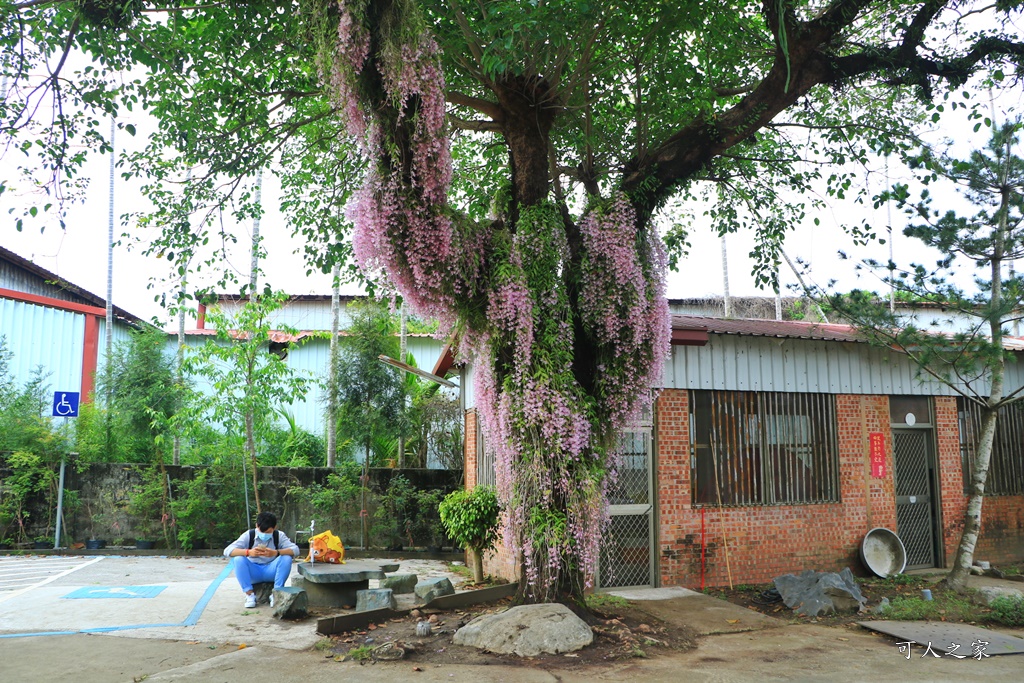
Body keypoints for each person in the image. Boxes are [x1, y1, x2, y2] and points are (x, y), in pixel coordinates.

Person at [223, 511, 300, 608]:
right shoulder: (249, 535)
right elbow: (227, 551)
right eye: (261, 531)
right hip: (254, 571)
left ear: (274, 527)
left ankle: (277, 593)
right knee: (238, 559)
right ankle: (249, 594)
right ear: (256, 525)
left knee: (286, 558)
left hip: (271, 570)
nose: (264, 534)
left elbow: (296, 550)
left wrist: (276, 552)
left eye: (267, 532)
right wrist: (248, 552)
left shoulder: (279, 535)